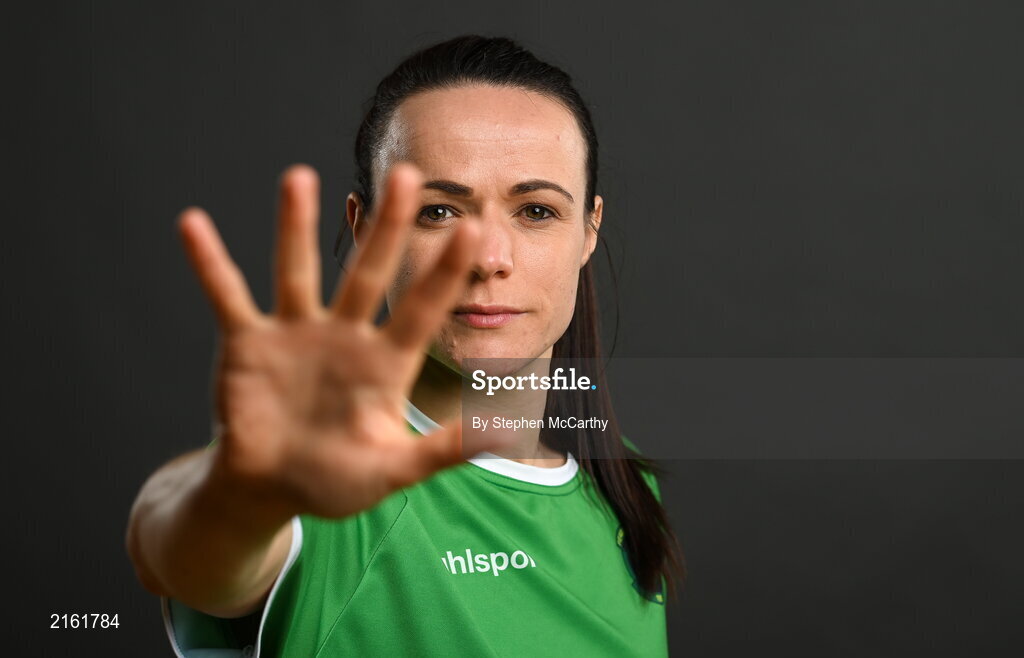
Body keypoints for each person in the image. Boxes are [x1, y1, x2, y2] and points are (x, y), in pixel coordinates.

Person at [126, 34, 685, 657]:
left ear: (588, 230)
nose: (489, 259)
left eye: (535, 212)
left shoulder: (625, 484)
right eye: (438, 212)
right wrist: (241, 497)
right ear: (365, 232)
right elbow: (183, 552)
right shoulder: (315, 470)